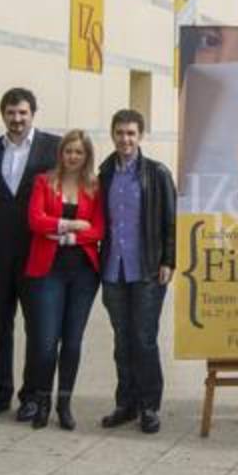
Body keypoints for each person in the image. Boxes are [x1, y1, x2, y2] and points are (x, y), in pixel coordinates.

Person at [0, 88, 60, 422]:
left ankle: (32, 397)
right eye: (11, 112)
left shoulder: (52, 148)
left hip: (37, 255)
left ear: (33, 113)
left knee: (39, 330)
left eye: (23, 112)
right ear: (2, 115)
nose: (17, 119)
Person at [98, 109, 177, 434]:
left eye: (131, 133)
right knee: (122, 339)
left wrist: (168, 261)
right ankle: (125, 403)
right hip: (114, 269)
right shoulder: (104, 173)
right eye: (120, 133)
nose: (125, 139)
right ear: (113, 134)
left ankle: (149, 406)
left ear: (140, 136)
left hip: (146, 269)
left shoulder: (156, 173)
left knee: (144, 339)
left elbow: (171, 221)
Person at [25, 130, 105, 430]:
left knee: (72, 342)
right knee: (46, 342)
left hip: (83, 273)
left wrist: (64, 236)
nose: (73, 157)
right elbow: (35, 220)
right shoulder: (44, 182)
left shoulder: (95, 187)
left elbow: (98, 229)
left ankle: (64, 403)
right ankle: (42, 401)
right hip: (48, 271)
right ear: (61, 153)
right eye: (68, 151)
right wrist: (70, 224)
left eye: (79, 152)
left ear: (87, 156)